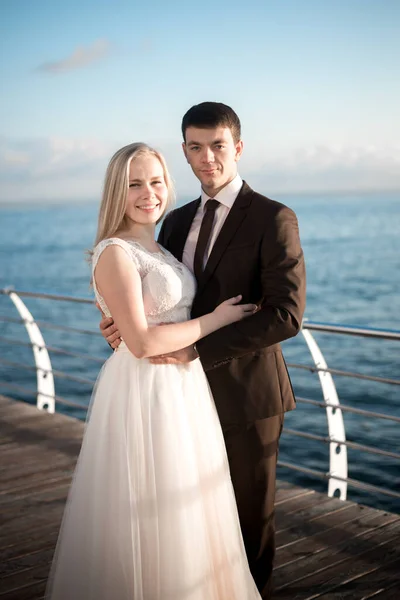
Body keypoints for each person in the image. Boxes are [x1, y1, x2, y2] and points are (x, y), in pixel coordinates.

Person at [101, 102, 306, 598]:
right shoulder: (173, 222)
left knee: (249, 524)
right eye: (196, 147)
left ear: (237, 147)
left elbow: (286, 315)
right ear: (185, 153)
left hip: (246, 394)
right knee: (189, 519)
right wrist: (122, 326)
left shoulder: (273, 217)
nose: (207, 157)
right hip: (177, 399)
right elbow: (153, 298)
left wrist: (198, 352)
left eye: (217, 146)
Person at [46, 142, 261, 600]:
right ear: (116, 193)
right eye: (135, 184)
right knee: (149, 508)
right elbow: (141, 343)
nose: (149, 193)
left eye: (156, 181)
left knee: (188, 506)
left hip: (185, 389)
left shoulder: (162, 248)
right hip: (144, 391)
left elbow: (149, 318)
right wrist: (216, 320)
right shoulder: (115, 252)